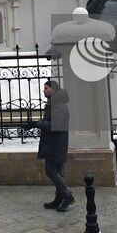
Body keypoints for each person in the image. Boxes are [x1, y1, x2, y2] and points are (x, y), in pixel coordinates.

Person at [35, 80, 72, 211]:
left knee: (51, 170)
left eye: (46, 88)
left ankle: (67, 196)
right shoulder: (53, 105)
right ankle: (60, 198)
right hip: (55, 144)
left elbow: (54, 126)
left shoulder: (58, 106)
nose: (44, 90)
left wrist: (37, 124)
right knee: (59, 172)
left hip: (56, 145)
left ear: (53, 90)